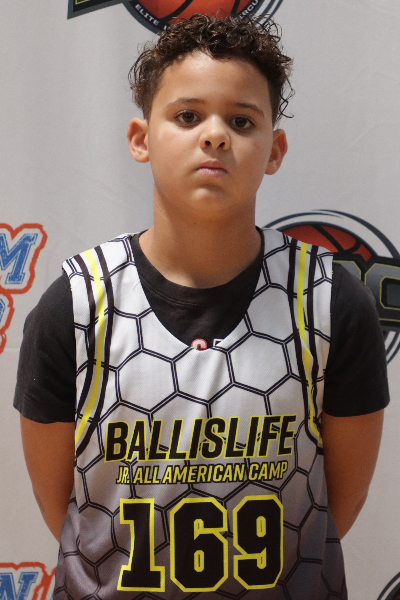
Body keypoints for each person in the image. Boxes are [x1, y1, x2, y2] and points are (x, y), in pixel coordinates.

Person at [14, 14, 389, 600]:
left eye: (241, 121)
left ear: (274, 150)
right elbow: (61, 503)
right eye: (188, 116)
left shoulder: (330, 301)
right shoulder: (77, 305)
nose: (215, 135)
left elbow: (342, 500)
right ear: (141, 138)